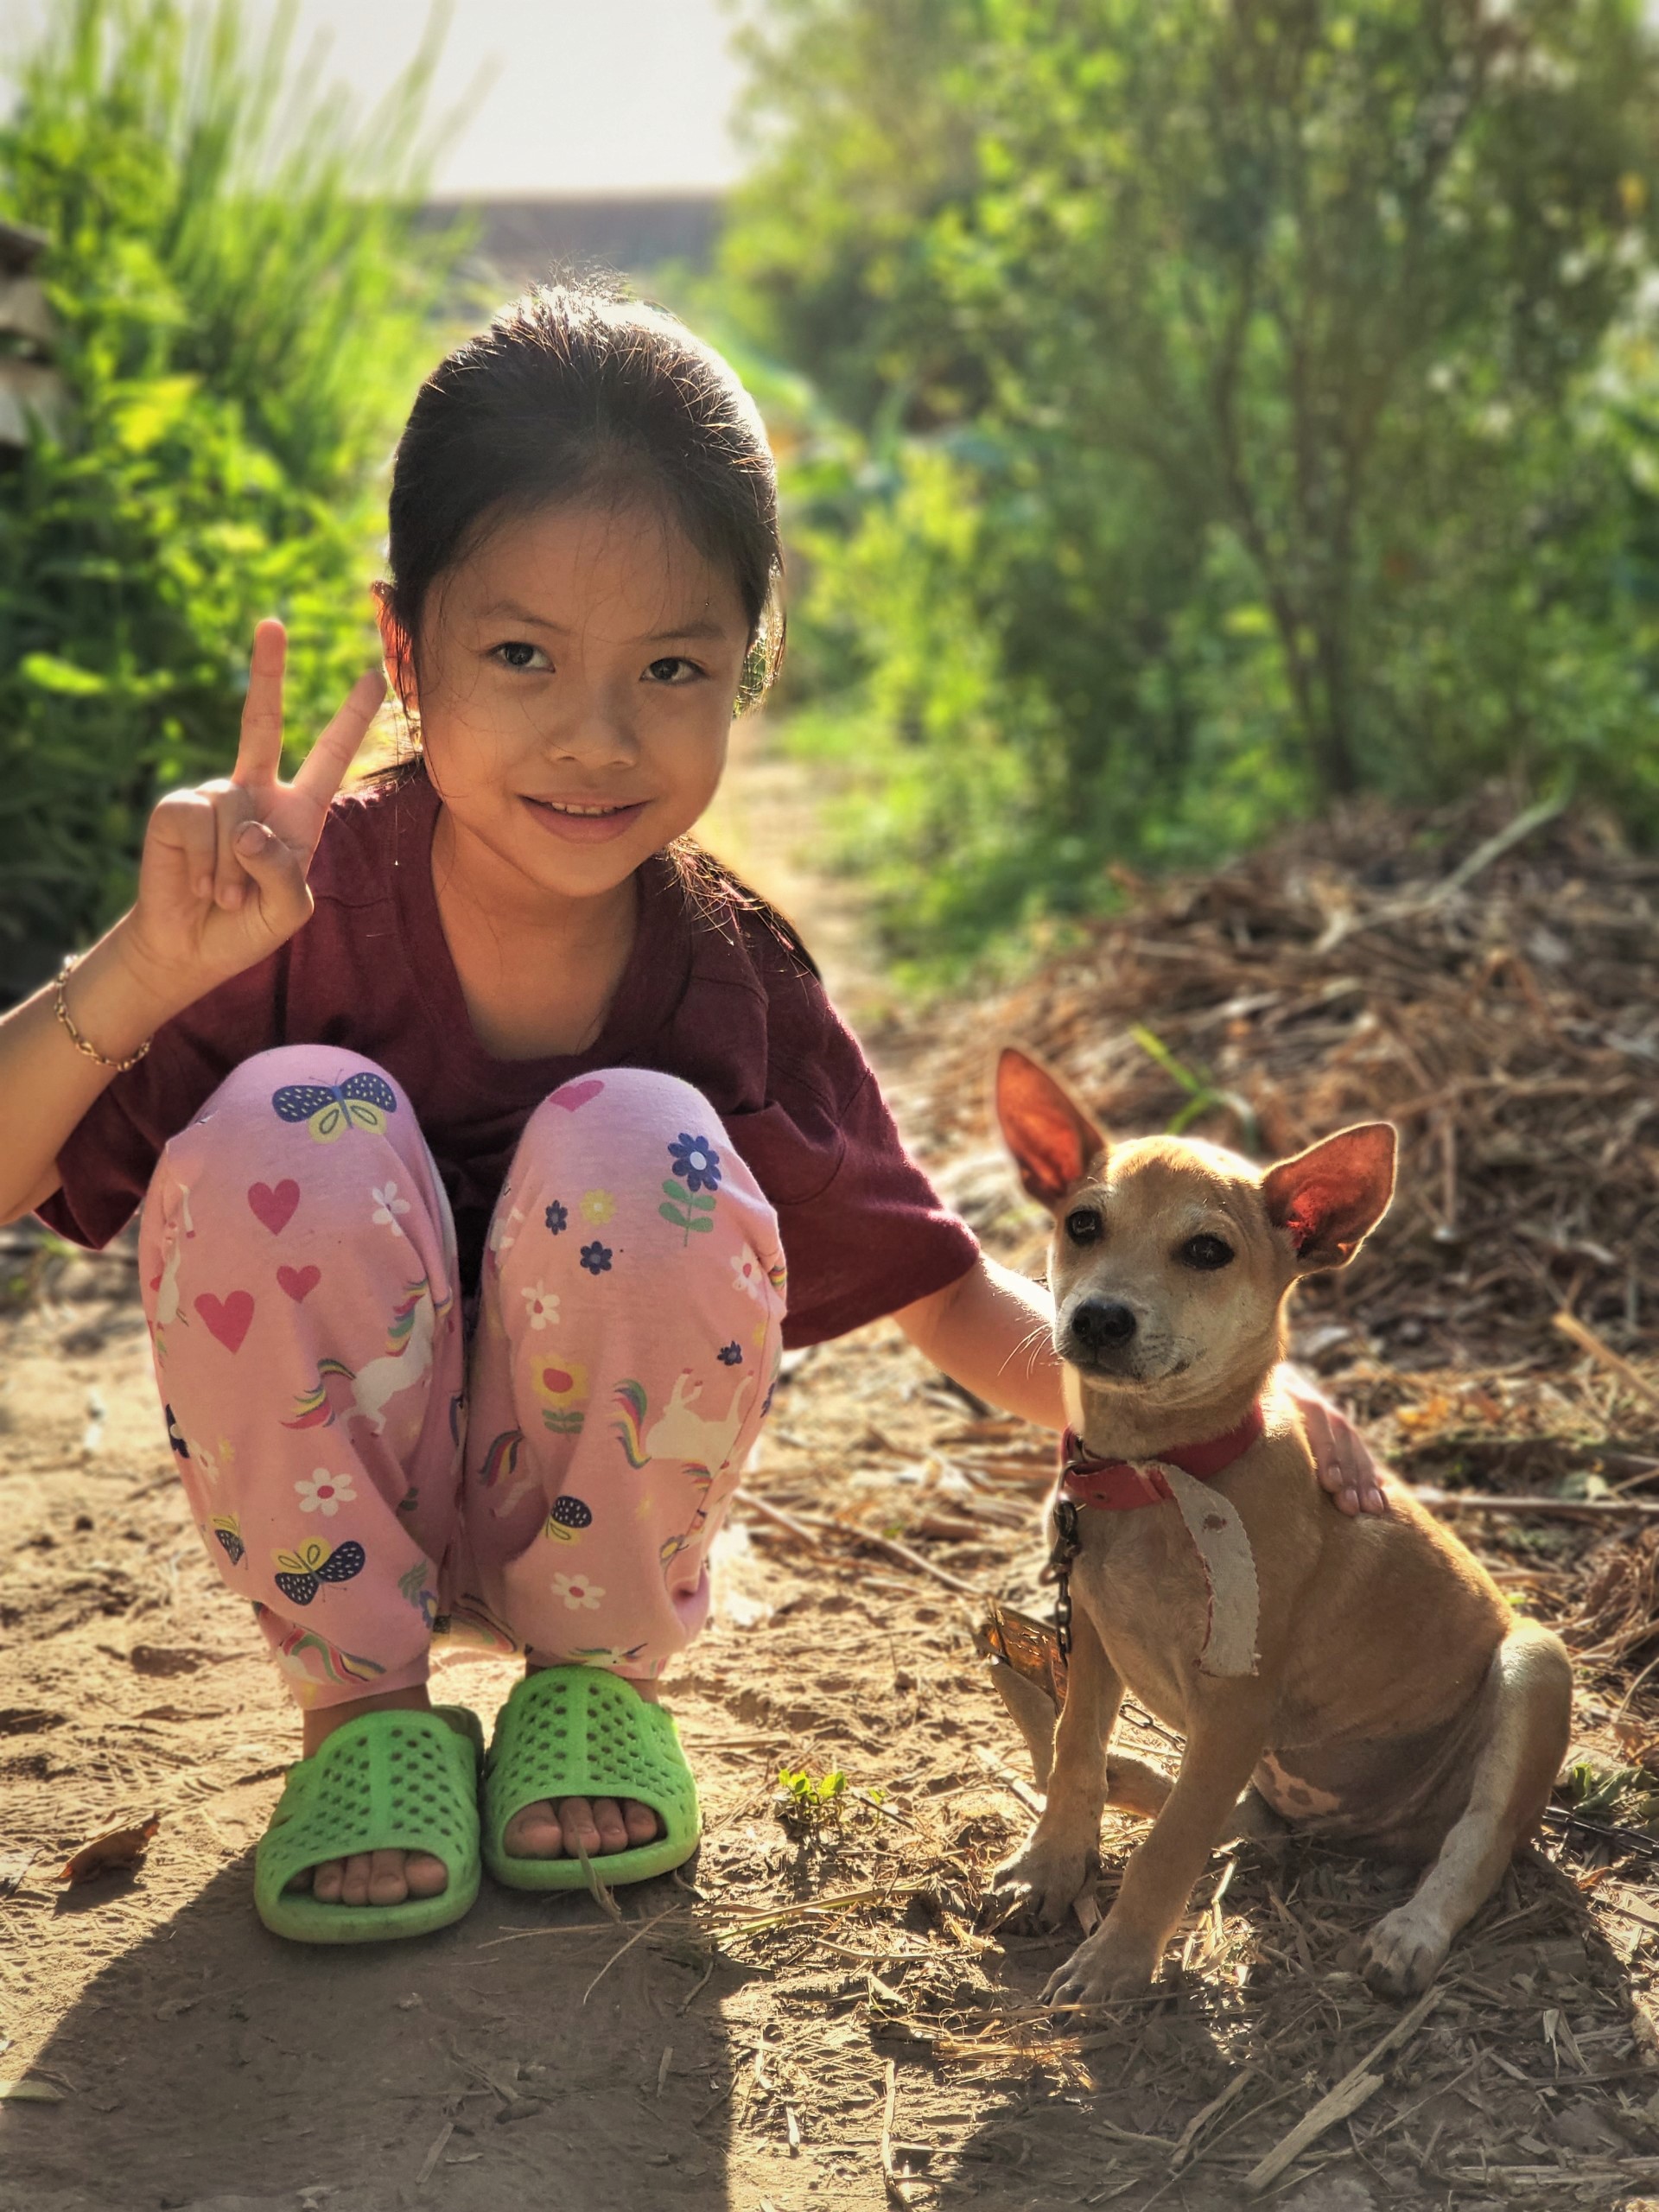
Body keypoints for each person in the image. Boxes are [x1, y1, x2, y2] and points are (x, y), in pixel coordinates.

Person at [0, 283, 1386, 1944]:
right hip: (332, 1520)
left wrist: (1248, 1403)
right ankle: (363, 1717)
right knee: (286, 1121)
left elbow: (951, 1300)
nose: (597, 740)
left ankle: (593, 1685)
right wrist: (147, 967)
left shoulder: (731, 979)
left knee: (641, 1142)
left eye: (672, 666)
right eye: (521, 656)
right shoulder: (291, 913)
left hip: (593, 1526)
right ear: (404, 650)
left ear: (750, 668)